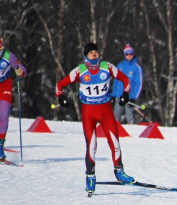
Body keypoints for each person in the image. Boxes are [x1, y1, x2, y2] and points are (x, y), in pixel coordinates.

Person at [55, 42, 133, 195]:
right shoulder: (80, 70)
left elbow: (126, 80)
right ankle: (90, 177)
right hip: (88, 112)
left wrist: (125, 95)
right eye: (91, 53)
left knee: (115, 141)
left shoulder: (107, 67)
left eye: (96, 52)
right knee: (92, 145)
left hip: (105, 111)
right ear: (86, 56)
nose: (94, 55)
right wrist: (61, 97)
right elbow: (60, 84)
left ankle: (119, 172)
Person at [112, 44, 143, 125]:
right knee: (116, 116)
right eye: (127, 54)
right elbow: (116, 81)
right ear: (124, 55)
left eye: (131, 54)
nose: (129, 56)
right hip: (119, 96)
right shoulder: (120, 66)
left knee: (129, 116)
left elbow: (138, 84)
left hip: (129, 96)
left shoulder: (137, 67)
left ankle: (131, 132)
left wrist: (133, 97)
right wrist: (113, 95)